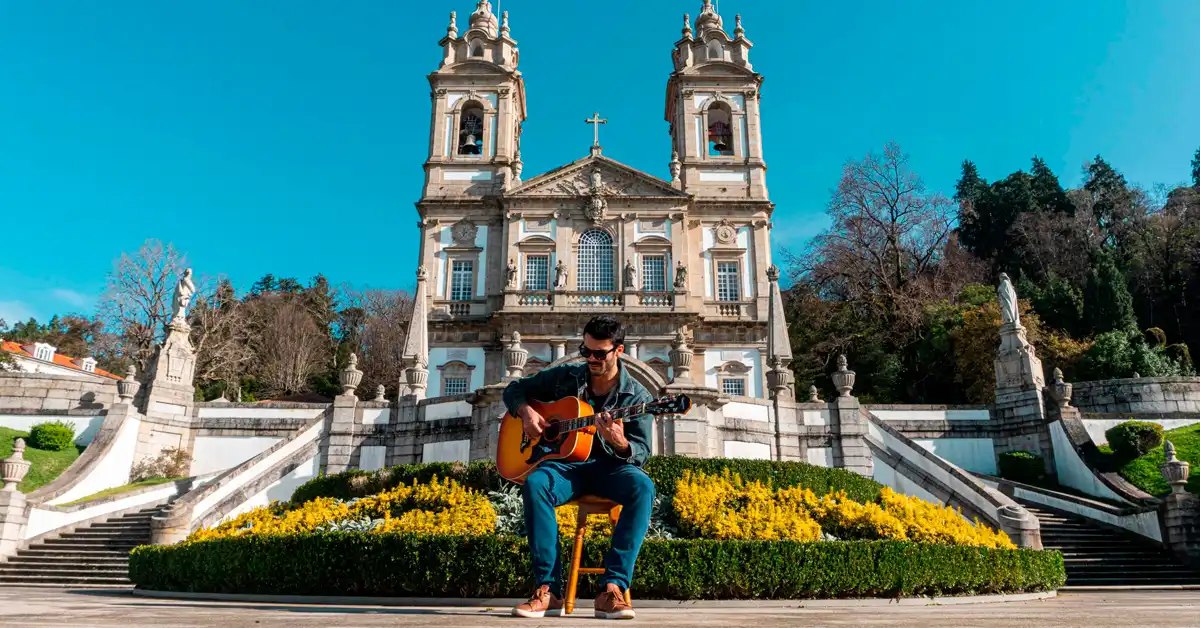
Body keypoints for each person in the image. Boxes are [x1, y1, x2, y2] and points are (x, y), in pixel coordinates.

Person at [504, 315, 655, 620]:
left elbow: (641, 453)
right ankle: (549, 590)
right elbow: (514, 389)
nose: (591, 359)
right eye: (586, 351)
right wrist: (527, 412)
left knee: (643, 486)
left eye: (600, 354)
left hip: (610, 469)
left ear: (619, 350)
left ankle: (612, 588)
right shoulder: (565, 377)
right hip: (565, 469)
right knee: (536, 484)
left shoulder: (638, 397)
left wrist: (620, 443)